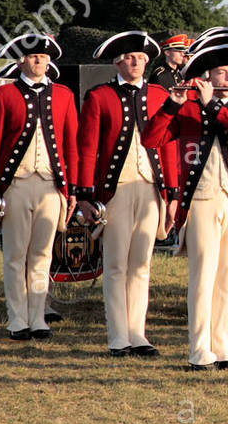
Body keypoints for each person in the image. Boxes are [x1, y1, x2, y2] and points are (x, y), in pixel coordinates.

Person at [142, 41, 228, 370]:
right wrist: (171, 105)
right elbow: (151, 139)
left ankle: (222, 346)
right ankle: (199, 350)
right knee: (203, 275)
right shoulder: (188, 106)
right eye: (222, 72)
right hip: (201, 199)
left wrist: (213, 106)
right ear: (207, 76)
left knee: (227, 276)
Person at [75, 31, 179, 357]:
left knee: (142, 264)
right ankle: (118, 336)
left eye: (141, 58)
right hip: (114, 190)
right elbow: (87, 148)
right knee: (117, 264)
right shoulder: (99, 97)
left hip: (150, 187)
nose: (136, 63)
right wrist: (85, 195)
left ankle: (139, 333)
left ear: (148, 62)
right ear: (118, 62)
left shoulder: (161, 95)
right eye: (130, 58)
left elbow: (169, 146)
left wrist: (173, 191)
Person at [0, 33, 78, 339]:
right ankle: (17, 318)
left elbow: (71, 143)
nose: (40, 62)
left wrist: (73, 188)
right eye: (34, 57)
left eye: (44, 58)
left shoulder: (64, 95)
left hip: (51, 184)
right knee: (15, 255)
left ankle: (38, 317)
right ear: (22, 60)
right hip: (16, 184)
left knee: (42, 254)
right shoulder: (4, 95)